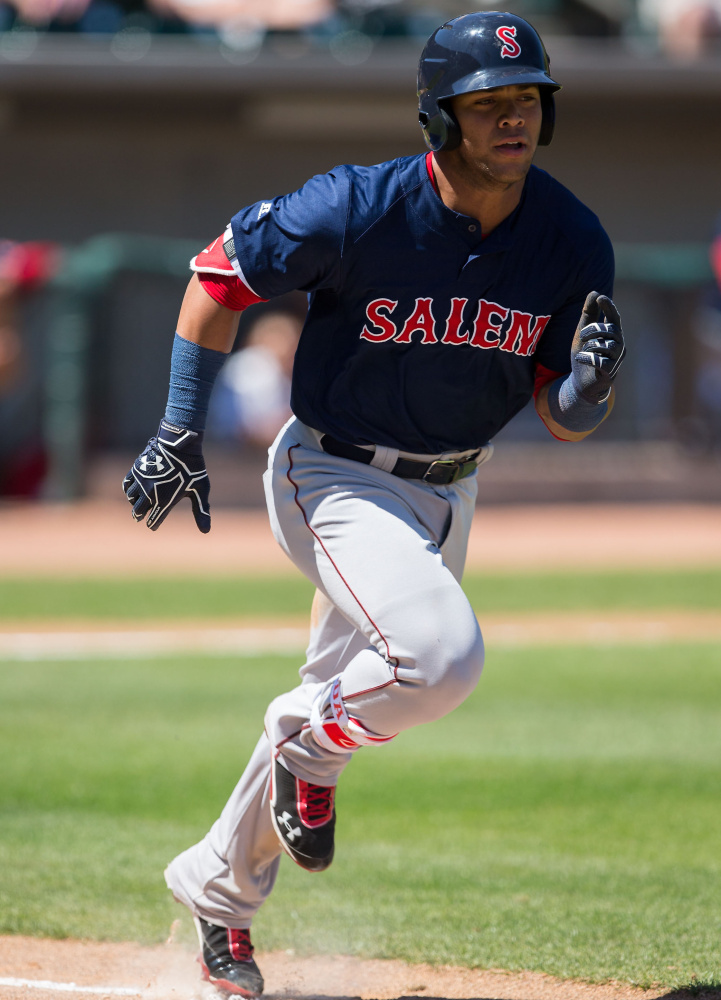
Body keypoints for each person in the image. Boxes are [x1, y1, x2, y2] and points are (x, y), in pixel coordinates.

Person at [122, 11, 626, 997]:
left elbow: (557, 414)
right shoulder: (353, 208)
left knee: (346, 687)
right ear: (441, 116)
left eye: (526, 101)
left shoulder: (570, 239)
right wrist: (179, 429)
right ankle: (304, 745)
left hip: (451, 486)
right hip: (333, 473)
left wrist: (588, 394)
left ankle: (217, 892)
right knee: (438, 660)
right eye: (489, 104)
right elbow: (216, 278)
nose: (512, 120)